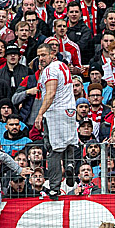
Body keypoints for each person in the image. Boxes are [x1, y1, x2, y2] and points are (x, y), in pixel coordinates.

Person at [33, 42, 78, 200]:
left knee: (54, 150)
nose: (41, 58)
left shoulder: (50, 70)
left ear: (52, 54)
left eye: (44, 55)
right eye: (39, 56)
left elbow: (50, 93)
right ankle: (71, 165)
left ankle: (54, 187)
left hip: (55, 112)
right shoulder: (62, 66)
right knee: (70, 144)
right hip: (70, 110)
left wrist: (40, 114)